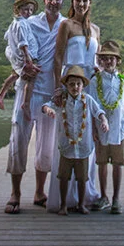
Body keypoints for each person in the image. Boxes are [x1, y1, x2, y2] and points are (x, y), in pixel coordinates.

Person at [4, 0, 64, 214]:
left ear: (61, 1)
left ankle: (39, 192)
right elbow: (10, 48)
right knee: (18, 140)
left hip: (51, 93)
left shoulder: (65, 25)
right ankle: (15, 194)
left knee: (46, 146)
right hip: (27, 89)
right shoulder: (28, 22)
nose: (53, 2)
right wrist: (21, 69)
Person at [47, 0, 101, 211]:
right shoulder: (65, 25)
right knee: (68, 133)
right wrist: (58, 88)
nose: (81, 4)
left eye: (85, 0)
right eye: (78, 0)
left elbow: (98, 60)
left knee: (88, 135)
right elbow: (58, 58)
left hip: (89, 86)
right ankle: (65, 198)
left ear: (90, 3)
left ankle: (86, 194)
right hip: (70, 85)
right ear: (72, 2)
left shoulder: (95, 29)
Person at [41, 65, 109, 215]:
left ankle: (81, 204)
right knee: (64, 177)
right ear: (66, 85)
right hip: (66, 148)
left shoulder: (88, 100)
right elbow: (46, 105)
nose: (75, 87)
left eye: (78, 84)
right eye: (71, 84)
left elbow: (99, 111)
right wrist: (49, 110)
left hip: (83, 147)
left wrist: (104, 120)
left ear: (83, 85)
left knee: (82, 178)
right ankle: (63, 205)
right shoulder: (61, 101)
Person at [89, 39, 124, 214]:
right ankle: (103, 196)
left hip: (118, 129)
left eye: (112, 58)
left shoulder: (123, 81)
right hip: (101, 130)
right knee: (101, 163)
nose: (109, 61)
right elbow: (93, 106)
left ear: (118, 61)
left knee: (117, 163)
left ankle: (116, 197)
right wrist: (93, 129)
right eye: (105, 58)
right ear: (100, 60)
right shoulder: (95, 81)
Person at [0, 0, 38, 110]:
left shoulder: (14, 23)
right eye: (25, 9)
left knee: (15, 74)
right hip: (28, 56)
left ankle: (1, 94)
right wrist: (27, 58)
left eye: (30, 10)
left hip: (17, 56)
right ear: (18, 9)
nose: (28, 12)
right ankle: (26, 103)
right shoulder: (22, 24)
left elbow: (6, 36)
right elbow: (23, 43)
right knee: (31, 78)